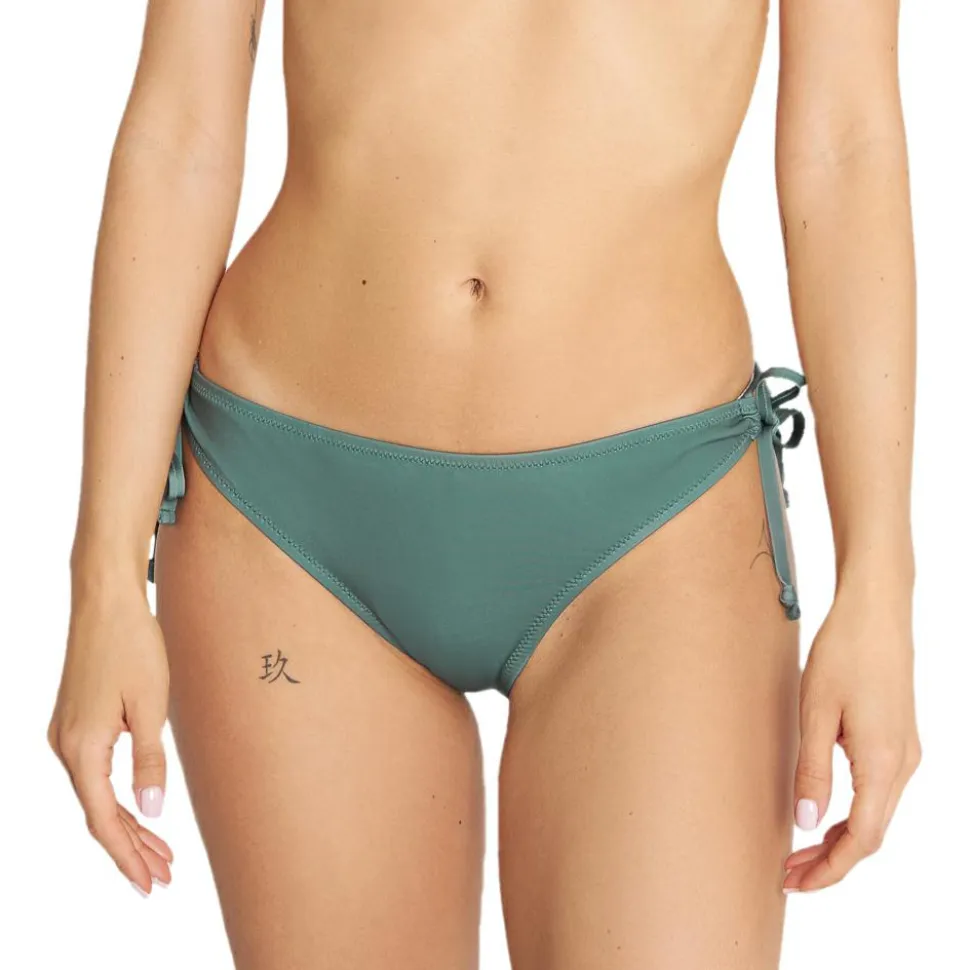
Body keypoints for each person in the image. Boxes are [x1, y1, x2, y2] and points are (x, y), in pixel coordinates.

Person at [47, 1, 921, 967]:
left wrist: (880, 586)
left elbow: (847, 144)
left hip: (658, 529)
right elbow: (183, 127)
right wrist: (104, 579)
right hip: (290, 522)